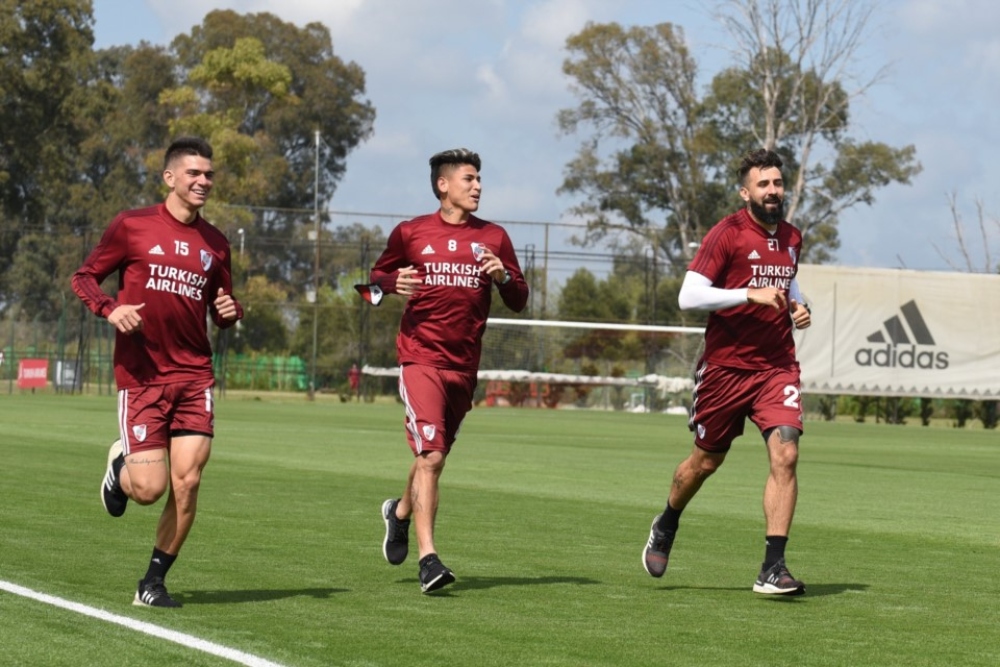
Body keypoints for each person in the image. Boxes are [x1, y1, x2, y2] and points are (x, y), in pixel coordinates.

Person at [71, 136, 243, 608]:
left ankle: (152, 582)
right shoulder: (132, 225)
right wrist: (110, 308)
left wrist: (229, 311)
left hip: (195, 376)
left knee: (188, 483)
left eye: (209, 174)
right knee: (149, 490)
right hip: (143, 376)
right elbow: (84, 277)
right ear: (170, 177)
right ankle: (120, 466)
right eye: (194, 173)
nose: (204, 181)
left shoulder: (217, 244)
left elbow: (223, 307)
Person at [641, 148, 812, 595]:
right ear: (745, 192)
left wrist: (799, 306)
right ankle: (668, 520)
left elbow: (788, 281)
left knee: (787, 453)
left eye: (778, 183)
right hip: (725, 370)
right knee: (705, 462)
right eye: (763, 184)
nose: (773, 191)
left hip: (777, 366)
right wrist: (747, 294)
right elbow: (689, 297)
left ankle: (772, 567)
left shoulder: (792, 236)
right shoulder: (727, 233)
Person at [358, 148, 528, 593]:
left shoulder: (494, 237)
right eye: (469, 179)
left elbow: (520, 299)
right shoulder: (410, 232)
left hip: (464, 367)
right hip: (420, 359)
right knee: (431, 458)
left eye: (479, 179)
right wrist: (391, 283)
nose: (478, 186)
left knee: (431, 457)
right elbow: (371, 284)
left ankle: (399, 513)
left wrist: (503, 277)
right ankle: (428, 560)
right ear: (443, 184)